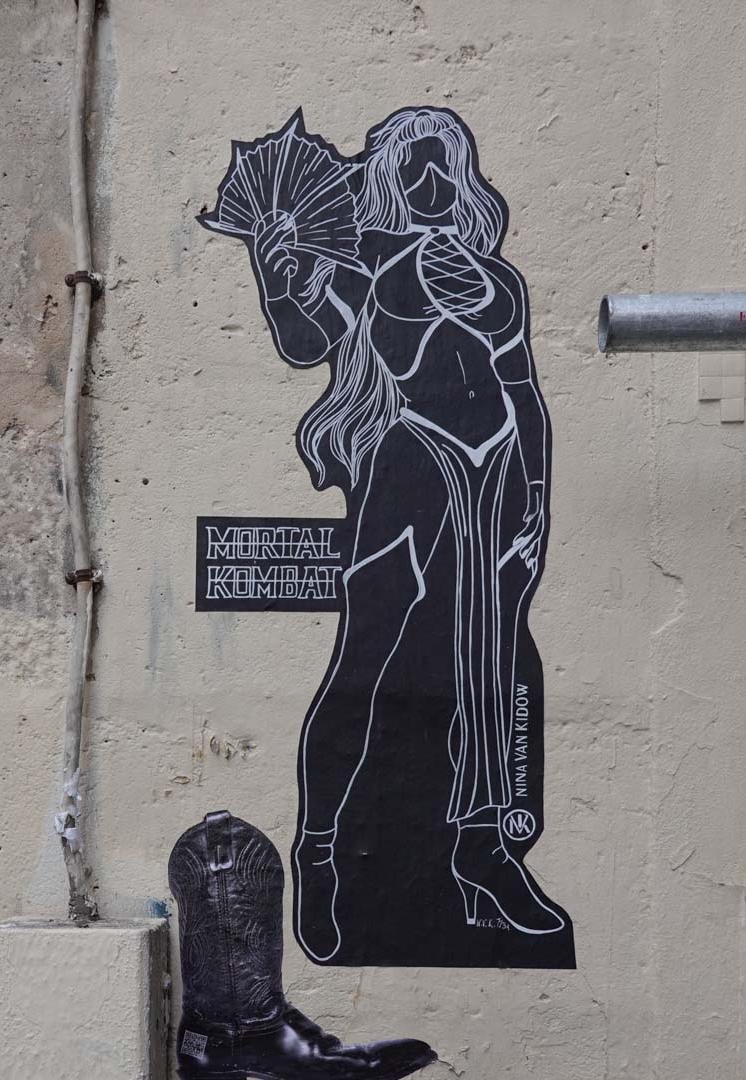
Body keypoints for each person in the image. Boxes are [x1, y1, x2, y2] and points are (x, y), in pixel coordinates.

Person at [208, 106, 569, 962]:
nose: (432, 182)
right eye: (415, 167)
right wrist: (275, 275)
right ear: (389, 179)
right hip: (411, 468)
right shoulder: (361, 264)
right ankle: (319, 851)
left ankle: (483, 849)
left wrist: (537, 499)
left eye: (445, 166)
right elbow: (305, 344)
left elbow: (523, 390)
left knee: (488, 669)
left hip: (495, 474)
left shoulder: (495, 276)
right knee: (365, 662)